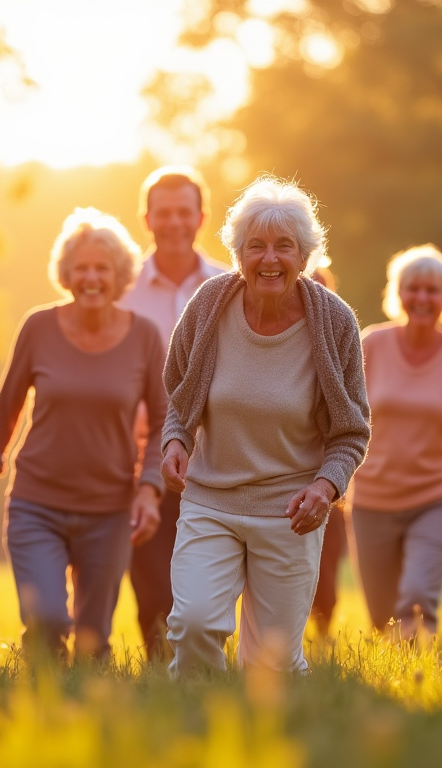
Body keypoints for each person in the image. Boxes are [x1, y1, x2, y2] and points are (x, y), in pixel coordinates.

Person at [160, 176, 370, 674]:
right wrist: (176, 438)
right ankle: (195, 732)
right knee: (191, 626)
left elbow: (351, 432)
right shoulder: (210, 306)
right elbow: (181, 393)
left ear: (305, 256)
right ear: (238, 253)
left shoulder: (335, 322)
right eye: (256, 246)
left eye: (284, 247)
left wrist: (325, 487)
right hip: (211, 500)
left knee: (271, 666)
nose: (269, 259)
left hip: (291, 509)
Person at [0, 208, 166, 662]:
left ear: (120, 275)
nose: (91, 278)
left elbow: (162, 423)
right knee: (47, 620)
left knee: (94, 644)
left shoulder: (145, 337)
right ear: (66, 274)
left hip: (109, 510)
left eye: (102, 268)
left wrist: (150, 489)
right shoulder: (39, 327)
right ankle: (37, 696)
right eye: (82, 268)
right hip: (38, 502)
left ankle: (86, 716)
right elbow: (7, 405)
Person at [118, 167, 227, 661]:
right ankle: (160, 667)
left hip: (217, 454)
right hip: (141, 456)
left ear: (201, 217)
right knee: (151, 574)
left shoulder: (231, 285)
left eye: (185, 212)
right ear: (147, 219)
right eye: (164, 213)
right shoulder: (124, 288)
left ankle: (204, 660)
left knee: (211, 571)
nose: (175, 222)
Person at [350, 245, 442, 639]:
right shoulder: (371, 344)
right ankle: (398, 685)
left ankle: (422, 679)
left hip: (439, 495)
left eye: (432, 290)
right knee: (381, 620)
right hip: (372, 497)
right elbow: (345, 413)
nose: (421, 298)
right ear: (397, 294)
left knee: (416, 600)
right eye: (413, 288)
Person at [306, 263, 347, 636]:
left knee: (326, 563)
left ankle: (322, 633)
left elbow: (351, 429)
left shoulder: (340, 343)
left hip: (324, 479)